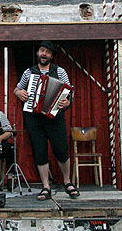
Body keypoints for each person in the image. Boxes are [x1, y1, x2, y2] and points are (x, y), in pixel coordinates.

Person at [14, 40, 80, 200]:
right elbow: (17, 88)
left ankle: (67, 182)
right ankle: (45, 186)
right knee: (40, 150)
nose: (44, 54)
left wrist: (67, 102)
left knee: (61, 149)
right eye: (42, 51)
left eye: (48, 52)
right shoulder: (29, 72)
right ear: (38, 53)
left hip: (55, 117)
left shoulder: (60, 71)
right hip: (34, 117)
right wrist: (18, 93)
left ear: (51, 56)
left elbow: (69, 91)